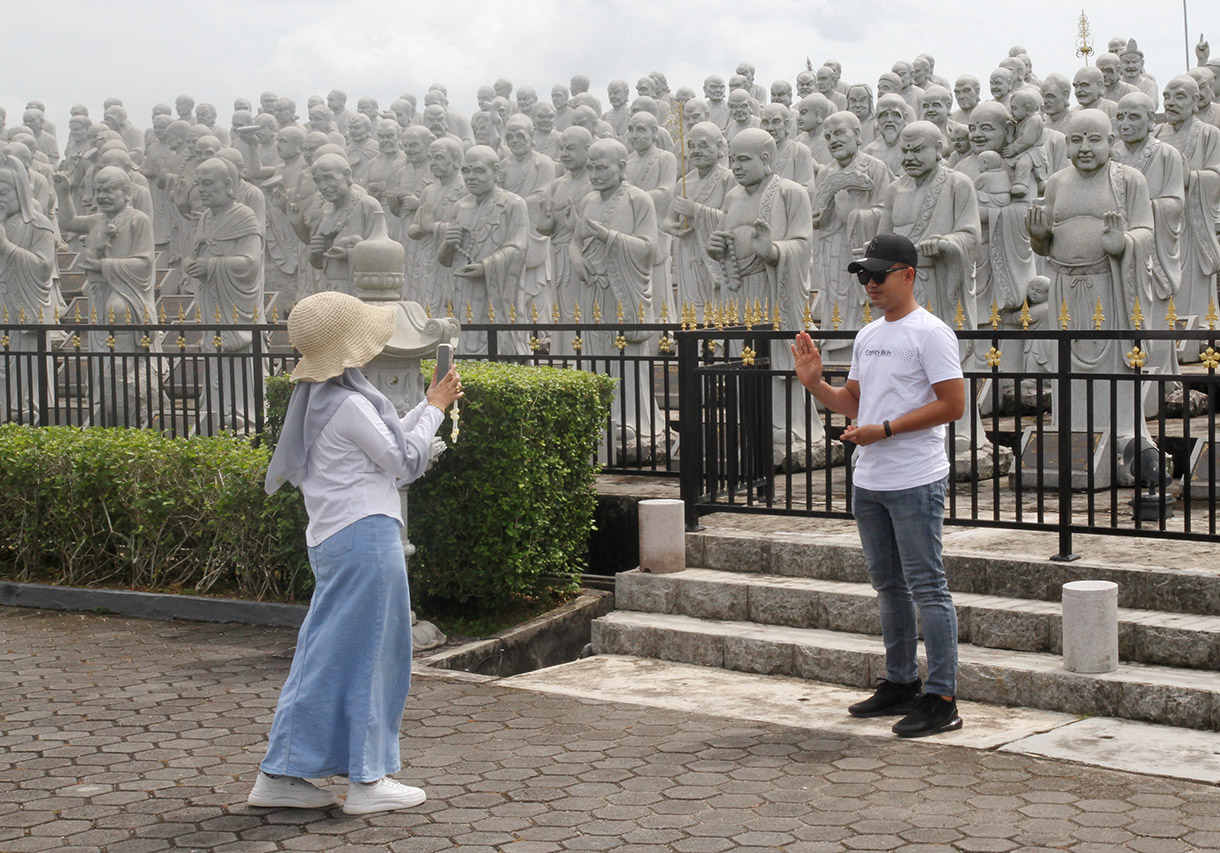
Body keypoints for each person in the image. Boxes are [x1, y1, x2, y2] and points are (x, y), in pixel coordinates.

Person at [252, 290, 463, 813]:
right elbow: (404, 462)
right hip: (366, 538)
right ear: (352, 348)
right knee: (374, 656)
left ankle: (282, 773)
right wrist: (435, 410)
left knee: (326, 655)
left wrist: (427, 405)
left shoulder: (323, 397)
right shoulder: (349, 402)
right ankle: (367, 782)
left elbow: (388, 445)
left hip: (338, 539)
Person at [791, 233, 964, 738]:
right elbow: (854, 403)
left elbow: (952, 405)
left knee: (927, 586)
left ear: (908, 274)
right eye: (864, 275)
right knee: (888, 587)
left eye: (879, 275)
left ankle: (943, 696)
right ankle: (900, 681)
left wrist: (884, 430)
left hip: (914, 477)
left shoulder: (930, 333)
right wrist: (816, 384)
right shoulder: (869, 336)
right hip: (870, 477)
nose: (870, 284)